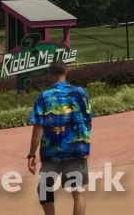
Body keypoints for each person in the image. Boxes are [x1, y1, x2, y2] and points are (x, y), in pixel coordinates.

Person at [27, 60, 92, 215]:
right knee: (78, 190)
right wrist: (83, 142)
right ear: (66, 72)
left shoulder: (44, 97)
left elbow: (38, 127)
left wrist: (31, 154)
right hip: (76, 149)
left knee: (45, 189)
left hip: (51, 151)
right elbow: (88, 121)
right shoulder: (80, 93)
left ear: (50, 75)